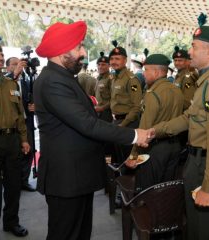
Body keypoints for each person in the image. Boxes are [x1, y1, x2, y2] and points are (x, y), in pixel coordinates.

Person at [33, 21, 151, 240]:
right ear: (61, 52)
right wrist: (135, 134)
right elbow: (87, 124)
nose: (84, 52)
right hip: (66, 178)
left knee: (80, 233)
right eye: (78, 47)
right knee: (66, 233)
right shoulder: (52, 81)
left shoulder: (63, 77)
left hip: (76, 176)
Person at [148, 14, 209, 240]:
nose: (190, 51)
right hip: (201, 160)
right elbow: (189, 118)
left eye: (194, 47)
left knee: (200, 229)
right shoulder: (207, 81)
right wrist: (154, 130)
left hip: (206, 164)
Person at [125, 54, 184, 192]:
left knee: (149, 192)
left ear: (156, 72)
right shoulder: (177, 90)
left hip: (154, 149)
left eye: (146, 70)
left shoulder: (153, 93)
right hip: (175, 146)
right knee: (167, 191)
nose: (143, 74)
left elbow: (145, 127)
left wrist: (133, 156)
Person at [0, 34, 30, 238]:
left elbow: (19, 116)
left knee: (14, 186)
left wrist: (24, 139)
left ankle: (11, 222)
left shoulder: (11, 85)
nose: (0, 58)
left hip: (12, 141)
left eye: (1, 55)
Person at [108, 40, 143, 165]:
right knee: (117, 156)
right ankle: (118, 181)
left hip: (128, 123)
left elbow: (136, 106)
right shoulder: (114, 77)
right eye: (112, 59)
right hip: (116, 122)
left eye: (117, 58)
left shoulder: (131, 79)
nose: (113, 62)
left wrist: (123, 124)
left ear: (125, 60)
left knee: (127, 159)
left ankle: (128, 183)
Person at [5, 57, 36, 192]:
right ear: (7, 68)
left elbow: (27, 100)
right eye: (14, 64)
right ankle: (12, 183)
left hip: (26, 122)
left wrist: (33, 106)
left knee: (28, 151)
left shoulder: (25, 81)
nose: (18, 66)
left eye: (19, 64)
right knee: (13, 155)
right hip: (10, 125)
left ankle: (23, 181)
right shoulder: (3, 82)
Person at [172, 46, 198, 111]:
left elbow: (188, 101)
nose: (177, 63)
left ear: (188, 62)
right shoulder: (179, 76)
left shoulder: (187, 78)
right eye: (175, 60)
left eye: (180, 61)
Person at [94, 52, 112, 123]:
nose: (100, 67)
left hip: (107, 113)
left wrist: (102, 108)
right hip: (98, 112)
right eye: (99, 64)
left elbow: (114, 98)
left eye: (103, 65)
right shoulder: (98, 78)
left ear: (109, 66)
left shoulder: (110, 78)